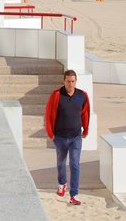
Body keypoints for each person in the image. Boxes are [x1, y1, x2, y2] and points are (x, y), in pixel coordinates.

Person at [44, 69, 91, 205]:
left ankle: (74, 194)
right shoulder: (56, 95)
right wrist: (51, 134)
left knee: (75, 164)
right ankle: (62, 183)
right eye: (68, 81)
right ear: (63, 81)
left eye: (73, 81)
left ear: (76, 81)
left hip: (76, 137)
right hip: (60, 137)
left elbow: (85, 114)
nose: (70, 84)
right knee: (60, 163)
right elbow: (48, 115)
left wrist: (86, 129)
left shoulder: (82, 95)